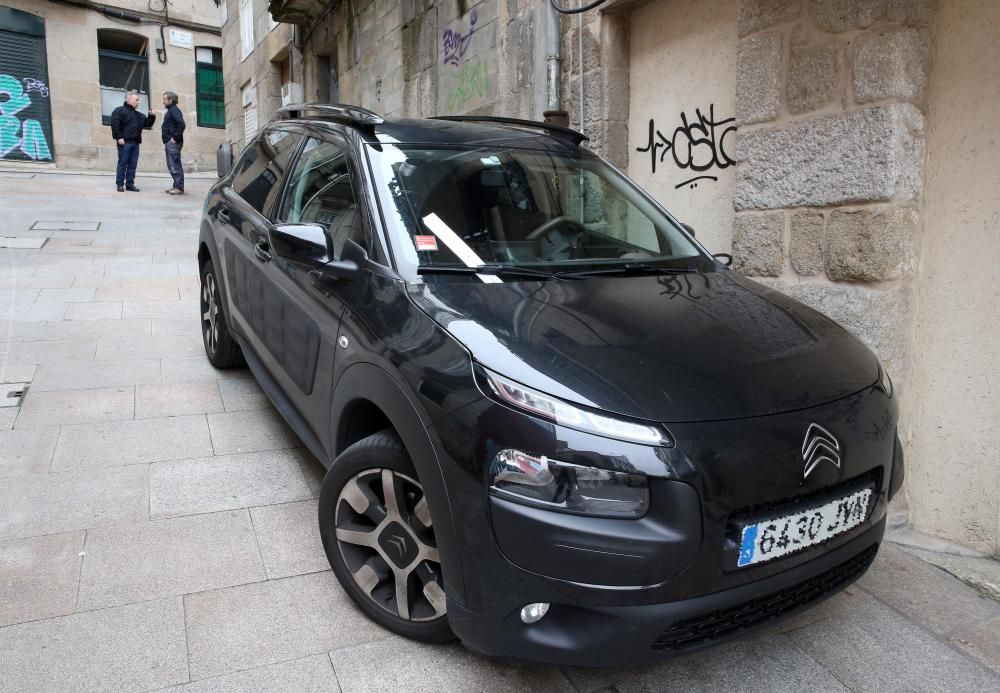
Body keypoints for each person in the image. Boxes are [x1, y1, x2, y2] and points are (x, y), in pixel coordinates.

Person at [109, 92, 156, 192]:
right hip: (124, 142)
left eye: (138, 100)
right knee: (122, 163)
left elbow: (147, 124)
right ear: (128, 100)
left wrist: (151, 116)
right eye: (136, 100)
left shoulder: (139, 115)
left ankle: (130, 184)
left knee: (132, 165)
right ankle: (120, 184)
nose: (138, 102)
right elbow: (115, 124)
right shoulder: (119, 110)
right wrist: (119, 137)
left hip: (135, 143)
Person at [161, 91, 186, 195]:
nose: (163, 101)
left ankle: (178, 187)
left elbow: (181, 124)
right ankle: (177, 185)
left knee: (174, 164)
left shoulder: (174, 110)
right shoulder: (171, 110)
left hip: (173, 142)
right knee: (172, 164)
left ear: (170, 100)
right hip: (169, 141)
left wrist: (175, 138)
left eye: (164, 99)